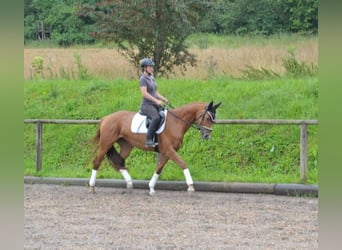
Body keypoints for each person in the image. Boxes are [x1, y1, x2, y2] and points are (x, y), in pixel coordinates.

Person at [139, 58, 168, 147]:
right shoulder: (143, 79)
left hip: (154, 104)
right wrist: (156, 101)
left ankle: (159, 137)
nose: (152, 68)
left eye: (152, 67)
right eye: (150, 67)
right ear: (145, 68)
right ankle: (148, 139)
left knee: (165, 113)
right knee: (156, 117)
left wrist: (163, 98)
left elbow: (154, 92)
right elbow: (144, 93)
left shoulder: (151, 77)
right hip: (146, 105)